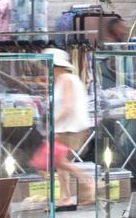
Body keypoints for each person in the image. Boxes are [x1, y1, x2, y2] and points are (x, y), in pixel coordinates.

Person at [31, 47, 95, 205]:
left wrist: (51, 122)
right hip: (67, 127)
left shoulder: (66, 79)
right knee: (61, 163)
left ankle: (86, 181)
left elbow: (67, 106)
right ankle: (65, 197)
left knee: (59, 161)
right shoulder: (62, 80)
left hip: (70, 128)